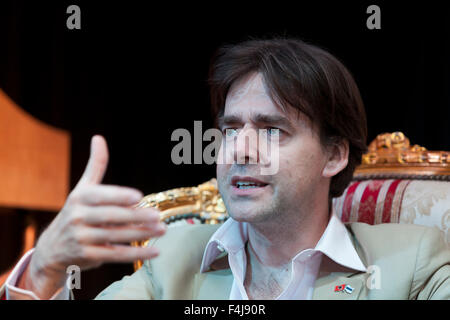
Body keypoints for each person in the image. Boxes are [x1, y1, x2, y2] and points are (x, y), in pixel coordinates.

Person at [3, 38, 449, 300]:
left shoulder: (412, 264)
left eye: (273, 130)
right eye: (231, 129)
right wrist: (45, 268)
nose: (241, 149)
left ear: (333, 156)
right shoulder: (173, 261)